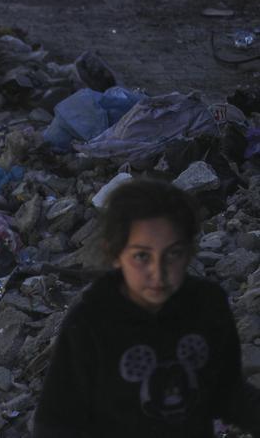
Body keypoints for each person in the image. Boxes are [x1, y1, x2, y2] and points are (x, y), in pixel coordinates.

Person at [33, 178, 260, 437]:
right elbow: (54, 423)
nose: (158, 273)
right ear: (115, 254)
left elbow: (227, 391)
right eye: (142, 256)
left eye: (173, 254)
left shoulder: (207, 305)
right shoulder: (90, 321)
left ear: (189, 252)